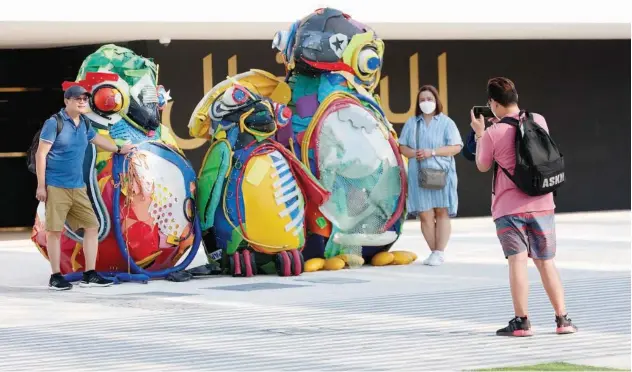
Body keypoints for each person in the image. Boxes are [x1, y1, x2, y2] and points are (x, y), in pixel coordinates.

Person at [471, 77, 577, 336]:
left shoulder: (493, 133)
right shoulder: (538, 120)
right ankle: (563, 320)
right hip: (542, 203)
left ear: (493, 104)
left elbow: (482, 165)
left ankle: (522, 322)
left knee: (517, 262)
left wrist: (479, 133)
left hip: (509, 209)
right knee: (546, 262)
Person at [36, 85, 136, 291]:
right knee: (54, 231)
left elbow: (97, 139)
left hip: (78, 187)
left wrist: (119, 149)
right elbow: (41, 155)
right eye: (77, 99)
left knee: (92, 227)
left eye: (84, 99)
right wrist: (41, 186)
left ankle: (89, 274)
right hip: (56, 186)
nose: (82, 102)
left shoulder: (84, 123)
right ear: (67, 101)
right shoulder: (54, 123)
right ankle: (55, 276)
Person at [398, 85, 463, 266]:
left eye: (430, 99)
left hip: (442, 172)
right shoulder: (412, 123)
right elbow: (402, 147)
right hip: (419, 175)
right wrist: (415, 153)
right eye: (422, 100)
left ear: (436, 101)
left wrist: (432, 152)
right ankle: (435, 252)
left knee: (442, 210)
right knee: (425, 214)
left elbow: (456, 147)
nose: (426, 102)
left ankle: (439, 251)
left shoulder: (446, 123)